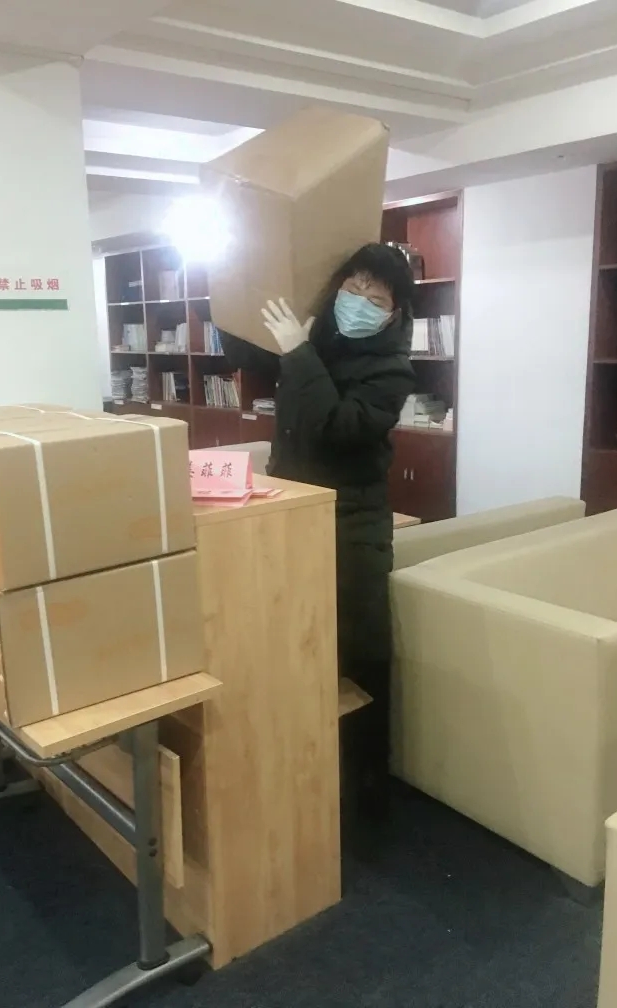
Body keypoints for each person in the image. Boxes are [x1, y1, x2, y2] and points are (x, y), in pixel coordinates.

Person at [219, 243, 415, 820]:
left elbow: (340, 427)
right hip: (291, 516)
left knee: (358, 654)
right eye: (353, 288)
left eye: (376, 298)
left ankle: (366, 794)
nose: (359, 302)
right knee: (295, 645)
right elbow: (242, 348)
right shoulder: (313, 337)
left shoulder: (391, 370)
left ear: (395, 313)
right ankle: (305, 774)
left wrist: (298, 352)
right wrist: (231, 282)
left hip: (351, 527)